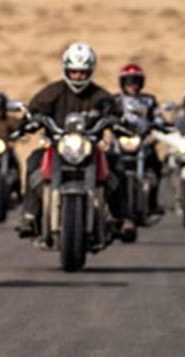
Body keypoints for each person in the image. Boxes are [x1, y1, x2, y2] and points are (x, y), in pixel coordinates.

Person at [14, 42, 117, 239]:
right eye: (74, 72)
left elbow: (115, 113)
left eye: (83, 73)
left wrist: (120, 124)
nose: (78, 77)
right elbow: (34, 110)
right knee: (33, 160)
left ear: (90, 72)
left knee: (116, 164)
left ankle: (122, 217)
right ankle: (29, 215)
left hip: (90, 148)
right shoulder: (52, 92)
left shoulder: (100, 96)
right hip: (57, 146)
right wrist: (26, 124)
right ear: (66, 70)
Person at [113, 63, 164, 213]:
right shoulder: (115, 100)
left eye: (135, 81)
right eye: (128, 81)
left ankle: (153, 202)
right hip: (120, 139)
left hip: (142, 140)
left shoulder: (149, 100)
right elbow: (106, 115)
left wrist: (161, 125)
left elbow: (158, 116)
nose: (132, 85)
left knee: (156, 166)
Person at [0, 92, 22, 199]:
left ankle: (17, 192)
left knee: (16, 166)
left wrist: (16, 137)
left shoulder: (11, 120)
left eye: (1, 109)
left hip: (6, 149)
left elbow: (19, 128)